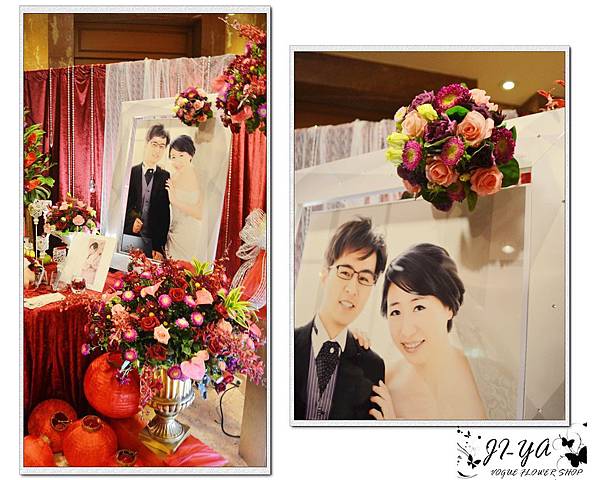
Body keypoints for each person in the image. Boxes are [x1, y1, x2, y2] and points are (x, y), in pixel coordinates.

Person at [370, 243, 487, 420]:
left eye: (419, 307)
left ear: (449, 307)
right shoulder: (382, 386)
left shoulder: (487, 383)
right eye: (395, 312)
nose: (406, 331)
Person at [294, 217, 387, 420]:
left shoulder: (372, 366)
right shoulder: (285, 344)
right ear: (325, 273)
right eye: (345, 272)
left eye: (364, 278)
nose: (352, 289)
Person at [124, 124, 171, 260]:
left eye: (161, 146)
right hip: (129, 238)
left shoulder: (165, 176)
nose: (157, 150)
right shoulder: (131, 172)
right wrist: (130, 224)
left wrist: (159, 247)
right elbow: (123, 206)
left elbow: (164, 216)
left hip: (152, 243)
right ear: (146, 143)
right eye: (154, 144)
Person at [164, 135, 205, 261]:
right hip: (174, 236)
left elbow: (200, 213)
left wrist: (175, 201)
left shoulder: (200, 177)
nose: (177, 161)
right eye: (173, 157)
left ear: (191, 155)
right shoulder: (171, 179)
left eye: (181, 155)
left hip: (193, 237)